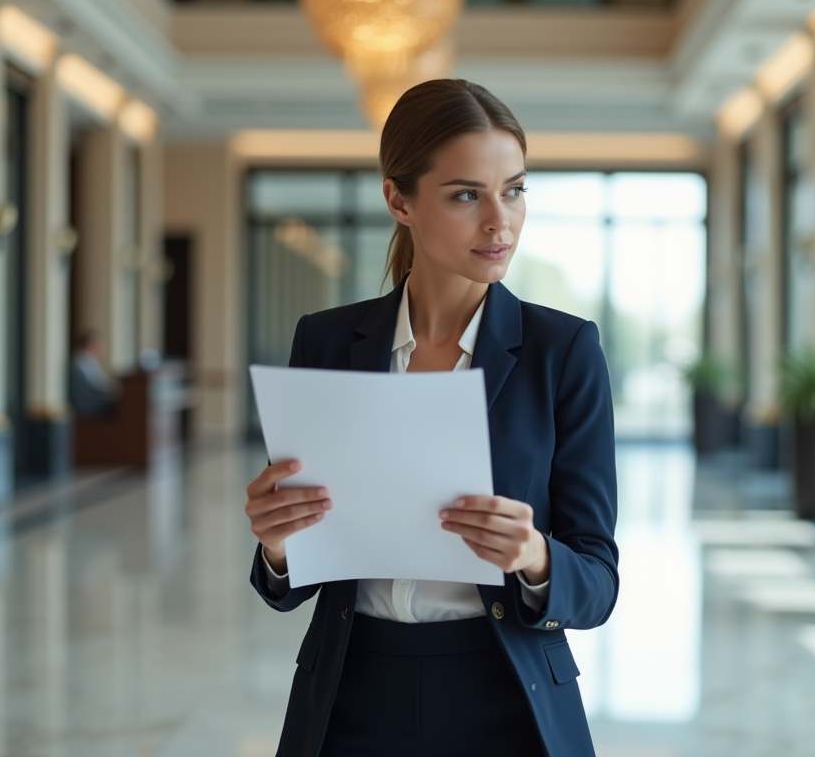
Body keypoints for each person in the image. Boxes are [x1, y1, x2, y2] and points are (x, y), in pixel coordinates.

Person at [244, 79, 619, 757]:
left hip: (508, 699)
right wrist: (277, 546)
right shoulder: (325, 342)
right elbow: (293, 577)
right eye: (466, 195)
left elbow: (597, 584)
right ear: (399, 200)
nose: (500, 222)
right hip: (351, 695)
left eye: (514, 190)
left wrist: (534, 556)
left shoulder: (563, 351)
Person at [69, 330, 119, 418]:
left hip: (93, 401)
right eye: (99, 344)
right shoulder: (80, 361)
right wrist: (112, 393)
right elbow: (91, 388)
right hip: (86, 406)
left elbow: (101, 383)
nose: (102, 348)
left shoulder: (90, 360)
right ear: (91, 344)